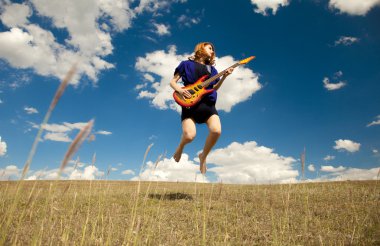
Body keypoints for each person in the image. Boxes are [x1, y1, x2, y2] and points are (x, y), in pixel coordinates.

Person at [170, 42, 234, 174]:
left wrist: (224, 77)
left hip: (208, 105)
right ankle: (180, 147)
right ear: (200, 48)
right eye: (210, 48)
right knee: (189, 136)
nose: (212, 51)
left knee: (216, 131)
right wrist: (180, 91)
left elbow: (214, 88)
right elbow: (172, 82)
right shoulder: (185, 64)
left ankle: (203, 156)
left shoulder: (212, 70)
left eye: (213, 49)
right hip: (190, 104)